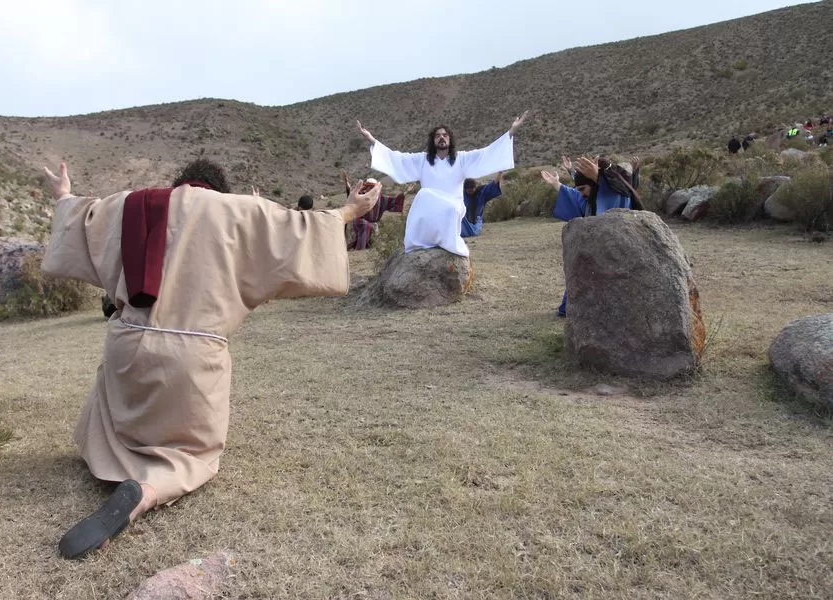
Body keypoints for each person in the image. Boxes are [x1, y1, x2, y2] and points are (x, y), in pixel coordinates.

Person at [40, 158, 380, 559]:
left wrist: (62, 193)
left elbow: (82, 218)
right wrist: (349, 211)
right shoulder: (238, 209)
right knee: (194, 455)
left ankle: (118, 461)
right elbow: (300, 230)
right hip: (193, 355)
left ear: (179, 183)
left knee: (108, 413)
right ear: (218, 188)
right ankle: (145, 493)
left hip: (126, 344)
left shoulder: (129, 204)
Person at [356, 111, 528, 257]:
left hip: (452, 207)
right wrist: (371, 139)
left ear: (450, 139)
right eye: (438, 136)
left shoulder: (461, 159)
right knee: (423, 195)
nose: (441, 138)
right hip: (430, 209)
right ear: (433, 141)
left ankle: (450, 245)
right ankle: (418, 244)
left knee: (440, 203)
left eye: (445, 135)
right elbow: (397, 158)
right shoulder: (422, 160)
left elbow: (486, 153)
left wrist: (511, 131)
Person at [542, 156, 642, 317]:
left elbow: (616, 191)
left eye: (583, 189)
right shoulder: (590, 198)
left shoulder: (612, 193)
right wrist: (556, 184)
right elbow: (576, 195)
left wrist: (598, 177)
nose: (581, 194)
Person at [342, 172, 409, 250]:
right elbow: (351, 195)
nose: (369, 189)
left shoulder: (381, 198)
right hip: (358, 222)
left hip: (372, 224)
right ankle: (360, 248)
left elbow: (394, 201)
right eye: (368, 186)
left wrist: (405, 193)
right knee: (364, 224)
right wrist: (347, 183)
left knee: (369, 228)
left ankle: (365, 245)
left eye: (372, 187)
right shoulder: (361, 195)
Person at [461, 172, 503, 237]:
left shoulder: (481, 192)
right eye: (468, 190)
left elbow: (493, 184)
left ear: (475, 187)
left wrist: (500, 173)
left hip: (476, 222)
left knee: (473, 233)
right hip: (464, 221)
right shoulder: (461, 194)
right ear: (465, 189)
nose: (470, 192)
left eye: (472, 189)